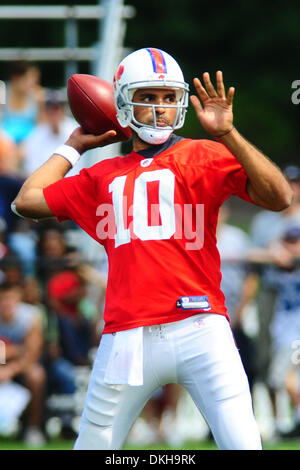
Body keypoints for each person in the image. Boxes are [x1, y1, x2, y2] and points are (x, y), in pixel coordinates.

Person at [11, 47, 293, 450]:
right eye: (147, 96)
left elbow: (279, 196)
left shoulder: (203, 153)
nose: (160, 109)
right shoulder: (101, 175)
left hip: (202, 327)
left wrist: (228, 134)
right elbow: (26, 201)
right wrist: (74, 144)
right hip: (127, 336)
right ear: (123, 101)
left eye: (168, 97)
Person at [0, 283, 46, 446]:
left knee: (37, 376)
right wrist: (13, 351)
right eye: (3, 299)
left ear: (19, 299)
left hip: (21, 366)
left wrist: (10, 369)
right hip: (2, 363)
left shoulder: (31, 316)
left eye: (11, 298)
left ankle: (33, 429)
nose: (7, 303)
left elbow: (32, 353)